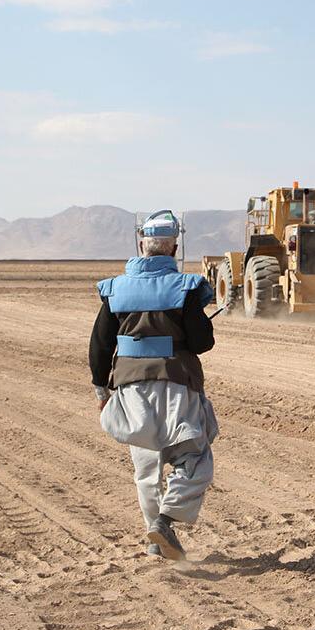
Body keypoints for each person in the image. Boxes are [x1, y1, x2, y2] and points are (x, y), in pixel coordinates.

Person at [89, 210, 217, 561]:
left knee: (146, 470)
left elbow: (100, 345)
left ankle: (155, 543)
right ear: (174, 247)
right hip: (177, 385)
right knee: (194, 459)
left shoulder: (114, 289)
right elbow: (202, 342)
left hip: (130, 390)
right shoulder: (185, 289)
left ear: (141, 244)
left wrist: (102, 392)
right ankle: (165, 521)